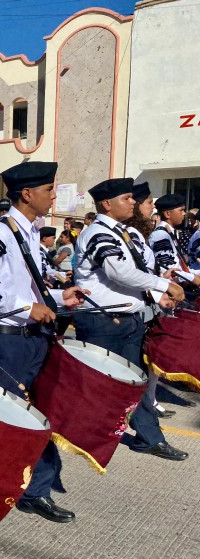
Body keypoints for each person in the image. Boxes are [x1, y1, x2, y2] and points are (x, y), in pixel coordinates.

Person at [0, 161, 87, 523]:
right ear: (27, 194)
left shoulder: (31, 232)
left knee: (41, 412)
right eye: (49, 189)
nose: (54, 195)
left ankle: (36, 490)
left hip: (33, 338)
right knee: (12, 417)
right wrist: (25, 308)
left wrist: (61, 297)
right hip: (7, 341)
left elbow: (28, 285)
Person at [73, 178, 187, 461]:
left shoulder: (121, 233)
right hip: (104, 322)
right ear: (107, 204)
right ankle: (82, 434)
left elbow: (135, 273)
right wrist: (163, 286)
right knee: (100, 384)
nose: (134, 202)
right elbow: (118, 273)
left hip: (126, 319)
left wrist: (154, 294)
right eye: (127, 198)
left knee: (136, 382)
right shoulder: (98, 233)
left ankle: (150, 438)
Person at [125, 182, 176, 419]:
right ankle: (144, 407)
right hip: (141, 305)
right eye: (147, 203)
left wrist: (161, 278)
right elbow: (135, 275)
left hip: (150, 301)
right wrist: (162, 286)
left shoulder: (140, 234)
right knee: (143, 361)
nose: (151, 208)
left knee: (148, 360)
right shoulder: (133, 234)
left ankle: (149, 403)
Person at [150, 194, 200, 284]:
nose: (184, 213)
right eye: (181, 210)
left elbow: (180, 268)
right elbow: (167, 270)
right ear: (167, 214)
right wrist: (193, 278)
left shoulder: (169, 233)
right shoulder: (161, 235)